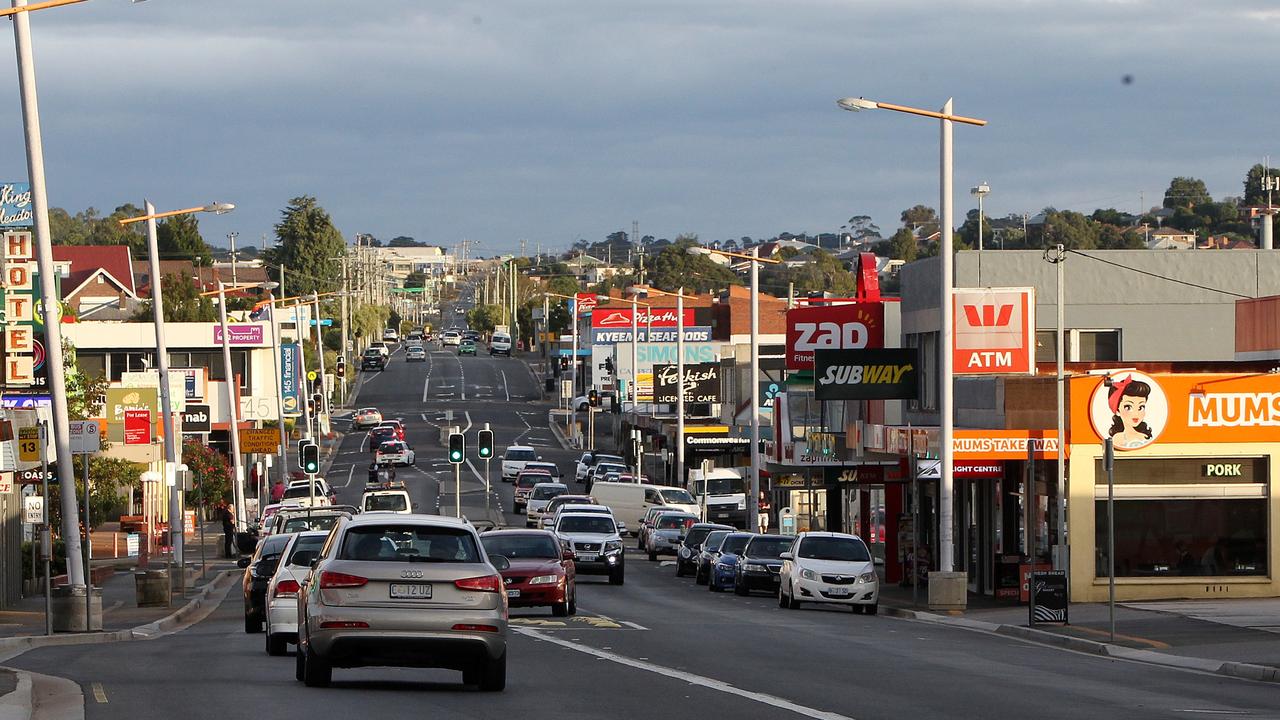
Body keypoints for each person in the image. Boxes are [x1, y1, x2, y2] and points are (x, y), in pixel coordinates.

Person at [1107, 376, 1155, 449]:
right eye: (1128, 407)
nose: (1136, 413)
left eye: (1141, 407)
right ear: (1117, 410)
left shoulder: (1146, 436)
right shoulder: (1119, 437)